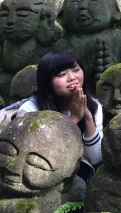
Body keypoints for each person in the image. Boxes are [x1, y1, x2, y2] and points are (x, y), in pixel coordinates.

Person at [17, 49, 103, 181]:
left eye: (75, 70)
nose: (72, 78)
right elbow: (42, 156)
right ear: (47, 82)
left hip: (79, 171)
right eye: (62, 74)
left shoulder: (93, 105)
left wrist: (87, 117)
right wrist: (73, 119)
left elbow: (96, 158)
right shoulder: (31, 110)